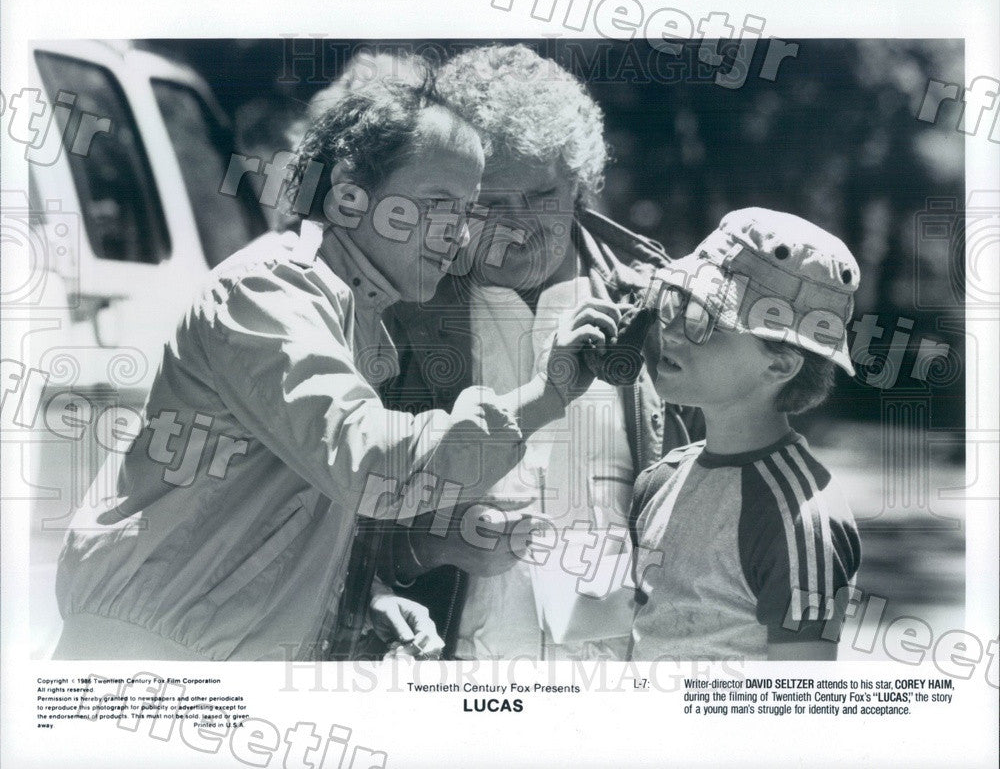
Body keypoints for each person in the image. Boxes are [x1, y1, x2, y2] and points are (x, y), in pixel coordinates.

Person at [52, 68, 620, 661]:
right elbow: (370, 463)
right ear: (348, 195)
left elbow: (279, 512)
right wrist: (543, 397)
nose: (458, 235)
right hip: (151, 668)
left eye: (466, 211)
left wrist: (354, 604)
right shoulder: (267, 292)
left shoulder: (352, 321)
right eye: (438, 206)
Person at [369, 44, 702, 660]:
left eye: (542, 194)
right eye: (490, 202)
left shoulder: (656, 302)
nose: (518, 224)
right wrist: (428, 547)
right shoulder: (396, 309)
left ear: (580, 181)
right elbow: (332, 518)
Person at [628, 207, 862, 661]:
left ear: (780, 364)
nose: (671, 330)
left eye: (706, 319)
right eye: (675, 302)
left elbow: (800, 709)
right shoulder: (659, 481)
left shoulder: (803, 522)